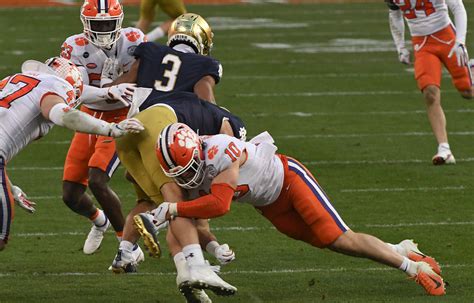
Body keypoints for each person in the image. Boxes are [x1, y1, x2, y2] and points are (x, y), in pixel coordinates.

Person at [136, 123, 446, 296]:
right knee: (331, 243)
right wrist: (214, 247)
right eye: (180, 171)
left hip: (290, 180)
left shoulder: (218, 150)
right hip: (270, 206)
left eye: (191, 167)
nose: (188, 176)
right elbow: (198, 222)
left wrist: (171, 209)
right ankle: (401, 249)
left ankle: (413, 269)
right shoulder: (184, 170)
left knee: (339, 236)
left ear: (197, 150)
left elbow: (219, 204)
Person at [0, 57, 143, 251]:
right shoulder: (55, 86)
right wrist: (111, 129)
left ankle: (100, 221)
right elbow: (63, 114)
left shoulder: (15, 80)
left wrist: (10, 187)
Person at [59, 0, 146, 255]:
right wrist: (109, 90)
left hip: (122, 116)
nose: (104, 29)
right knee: (70, 194)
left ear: (119, 21)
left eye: (109, 23)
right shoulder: (73, 46)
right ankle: (100, 221)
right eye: (98, 24)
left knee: (98, 179)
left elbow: (145, 76)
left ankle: (126, 244)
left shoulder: (133, 39)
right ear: (86, 24)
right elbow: (76, 93)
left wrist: (113, 88)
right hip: (90, 116)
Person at [386, 0, 473, 165]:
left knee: (467, 91)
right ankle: (444, 148)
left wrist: (460, 40)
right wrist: (400, 46)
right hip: (422, 43)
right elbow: (394, 13)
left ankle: (472, 69)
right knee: (430, 93)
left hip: (446, 36)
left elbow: (457, 6)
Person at [114, 13, 221, 104]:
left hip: (142, 119)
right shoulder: (205, 64)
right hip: (179, 122)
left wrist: (106, 81)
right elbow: (208, 106)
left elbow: (117, 90)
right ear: (201, 40)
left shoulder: (149, 51)